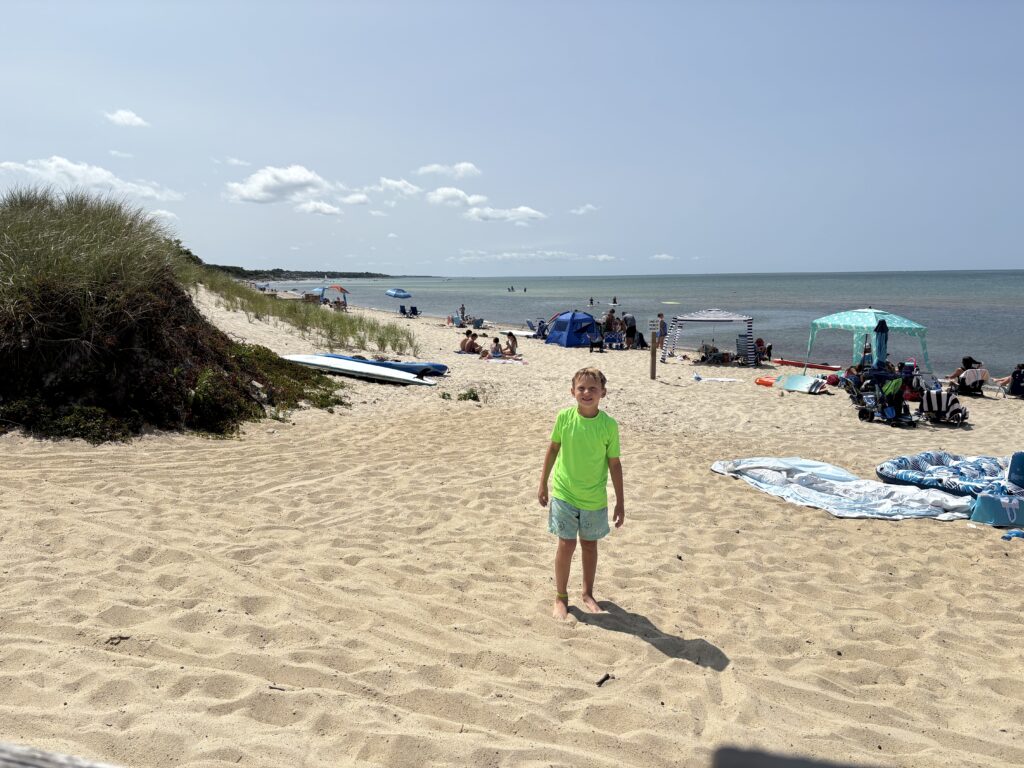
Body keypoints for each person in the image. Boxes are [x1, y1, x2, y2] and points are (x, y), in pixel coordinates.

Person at [538, 367, 624, 620]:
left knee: (589, 545)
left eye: (593, 389)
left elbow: (615, 464)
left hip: (594, 498)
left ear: (603, 393)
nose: (587, 393)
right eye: (581, 388)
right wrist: (542, 483)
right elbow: (553, 449)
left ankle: (587, 593)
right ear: (572, 391)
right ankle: (561, 597)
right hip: (565, 493)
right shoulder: (564, 418)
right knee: (566, 544)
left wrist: (620, 501)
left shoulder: (608, 425)